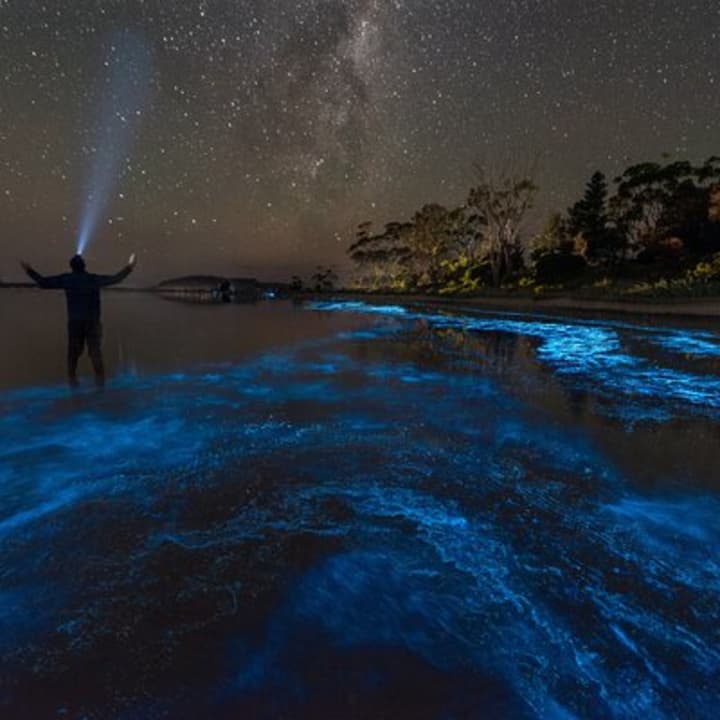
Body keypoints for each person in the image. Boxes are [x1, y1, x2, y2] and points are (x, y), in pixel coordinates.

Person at [20, 253, 137, 388]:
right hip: (92, 322)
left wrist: (28, 270)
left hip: (75, 322)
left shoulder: (67, 279)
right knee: (95, 351)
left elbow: (43, 282)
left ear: (71, 267)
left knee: (73, 352)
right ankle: (100, 381)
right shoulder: (93, 279)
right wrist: (129, 267)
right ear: (84, 265)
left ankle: (72, 378)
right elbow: (116, 279)